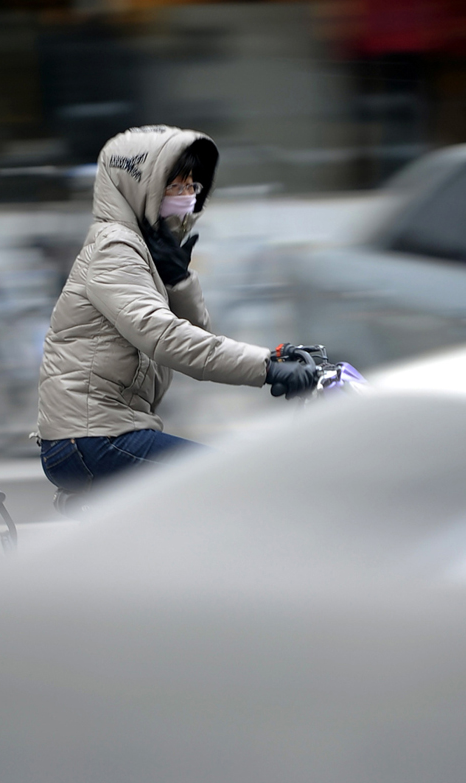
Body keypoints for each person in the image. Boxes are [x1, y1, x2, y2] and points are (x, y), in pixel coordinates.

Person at [36, 125, 315, 501]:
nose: (186, 197)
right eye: (175, 186)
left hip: (104, 432)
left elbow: (196, 335)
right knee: (229, 480)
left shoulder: (141, 250)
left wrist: (179, 280)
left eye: (191, 187)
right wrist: (266, 367)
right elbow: (167, 339)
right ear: (140, 185)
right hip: (90, 438)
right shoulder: (114, 250)